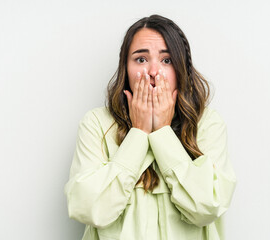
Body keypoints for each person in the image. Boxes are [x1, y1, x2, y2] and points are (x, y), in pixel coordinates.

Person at [64, 14, 237, 240]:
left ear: (181, 69)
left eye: (167, 60)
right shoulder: (96, 123)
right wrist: (139, 133)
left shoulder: (207, 124)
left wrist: (162, 132)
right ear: (126, 68)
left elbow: (207, 207)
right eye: (141, 59)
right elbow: (89, 209)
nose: (153, 72)